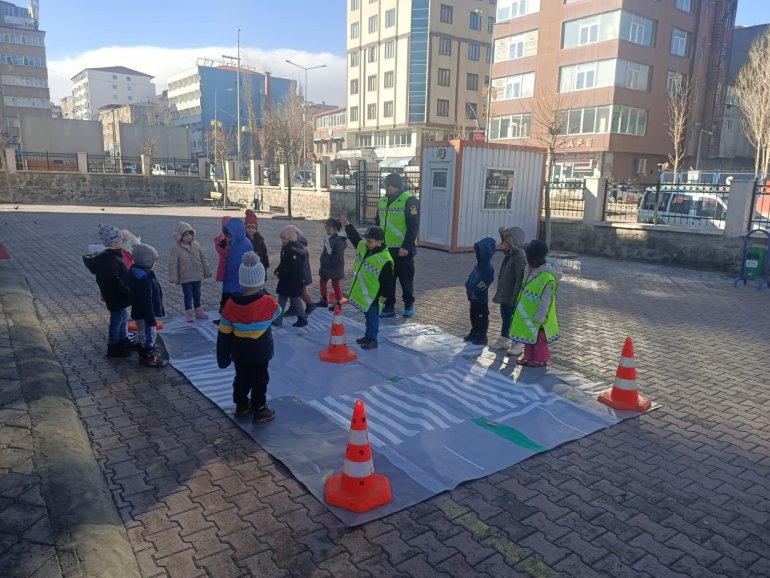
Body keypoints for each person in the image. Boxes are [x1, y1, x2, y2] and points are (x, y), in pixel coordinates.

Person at [217, 251, 281, 423]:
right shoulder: (267, 302)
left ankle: (241, 405)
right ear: (261, 280)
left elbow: (223, 332)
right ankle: (260, 409)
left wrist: (222, 357)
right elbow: (278, 313)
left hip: (240, 351)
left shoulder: (230, 304)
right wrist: (263, 292)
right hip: (261, 352)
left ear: (241, 280)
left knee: (241, 378)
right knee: (260, 380)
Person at [339, 216, 394, 350]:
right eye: (366, 240)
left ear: (379, 242)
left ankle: (373, 339)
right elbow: (354, 237)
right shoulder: (364, 247)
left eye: (369, 241)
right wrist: (347, 225)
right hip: (365, 293)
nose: (366, 243)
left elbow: (388, 281)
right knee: (367, 316)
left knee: (373, 318)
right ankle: (367, 336)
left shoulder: (385, 259)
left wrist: (385, 296)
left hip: (375, 294)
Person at [82, 224, 133, 358]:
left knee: (123, 318)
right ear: (115, 242)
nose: (123, 241)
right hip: (116, 296)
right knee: (116, 321)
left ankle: (123, 340)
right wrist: (126, 289)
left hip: (119, 295)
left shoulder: (113, 255)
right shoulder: (109, 259)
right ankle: (114, 345)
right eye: (121, 239)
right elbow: (113, 280)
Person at [509, 240, 560, 368]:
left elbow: (546, 300)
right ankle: (528, 356)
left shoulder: (547, 276)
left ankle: (541, 358)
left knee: (539, 338)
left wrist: (540, 316)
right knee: (528, 336)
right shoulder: (529, 268)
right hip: (527, 312)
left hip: (540, 314)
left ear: (535, 257)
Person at [376, 172, 419, 318]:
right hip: (386, 250)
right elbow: (378, 223)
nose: (384, 188)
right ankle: (389, 307)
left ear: (391, 185)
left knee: (406, 280)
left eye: (386, 185)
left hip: (402, 250)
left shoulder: (409, 201)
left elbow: (413, 227)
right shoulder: (382, 201)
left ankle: (408, 305)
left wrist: (406, 247)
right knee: (387, 281)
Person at [127, 244, 168, 368]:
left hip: (140, 312)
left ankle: (143, 348)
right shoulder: (143, 278)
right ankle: (149, 356)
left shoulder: (136, 270)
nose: (156, 264)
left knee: (142, 332)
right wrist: (151, 319)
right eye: (154, 262)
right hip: (146, 314)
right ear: (146, 262)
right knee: (149, 335)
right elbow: (147, 301)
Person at [490, 227, 527, 357]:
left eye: (505, 241)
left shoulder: (519, 256)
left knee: (514, 320)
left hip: (513, 296)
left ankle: (517, 344)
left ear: (513, 242)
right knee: (505, 317)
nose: (503, 244)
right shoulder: (509, 255)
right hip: (505, 295)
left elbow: (519, 279)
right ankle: (504, 339)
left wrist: (515, 298)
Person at [168, 221, 212, 322]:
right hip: (185, 277)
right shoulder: (176, 249)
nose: (188, 237)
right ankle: (189, 312)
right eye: (185, 235)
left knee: (197, 293)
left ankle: (198, 310)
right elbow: (173, 264)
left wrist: (206, 271)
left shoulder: (196, 245)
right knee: (188, 295)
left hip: (197, 275)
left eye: (190, 234)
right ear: (180, 236)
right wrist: (173, 276)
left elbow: (203, 258)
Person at [273, 225, 308, 328]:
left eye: (284, 238)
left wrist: (281, 273)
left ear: (291, 238)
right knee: (285, 299)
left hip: (292, 280)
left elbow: (292, 268)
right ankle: (279, 320)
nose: (282, 240)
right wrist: (277, 270)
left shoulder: (295, 250)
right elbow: (283, 263)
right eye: (281, 238)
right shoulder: (286, 248)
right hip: (287, 280)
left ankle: (302, 318)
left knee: (293, 299)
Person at [464, 237, 496, 346]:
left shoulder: (488, 268)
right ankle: (475, 331)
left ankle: (482, 335)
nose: (476, 254)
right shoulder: (477, 266)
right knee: (473, 315)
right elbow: (471, 277)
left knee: (481, 316)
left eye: (478, 252)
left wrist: (477, 290)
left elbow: (487, 281)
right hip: (473, 298)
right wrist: (468, 284)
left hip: (481, 299)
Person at [221, 218, 253, 311]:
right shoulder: (237, 242)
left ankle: (228, 319)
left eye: (229, 236)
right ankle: (225, 318)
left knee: (233, 301)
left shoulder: (243, 245)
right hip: (232, 280)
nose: (227, 239)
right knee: (227, 300)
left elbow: (236, 264)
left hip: (237, 280)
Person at [316, 218, 347, 310]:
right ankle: (324, 300)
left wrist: (331, 263)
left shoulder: (339, 240)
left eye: (329, 229)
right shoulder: (328, 237)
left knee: (336, 284)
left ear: (334, 229)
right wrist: (322, 258)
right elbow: (326, 250)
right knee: (322, 281)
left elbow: (338, 255)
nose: (327, 231)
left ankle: (338, 303)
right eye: (326, 229)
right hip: (326, 264)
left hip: (335, 266)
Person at [213, 216, 232, 315]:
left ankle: (231, 309)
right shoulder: (219, 239)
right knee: (225, 290)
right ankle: (223, 310)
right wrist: (227, 246)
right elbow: (221, 251)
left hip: (233, 268)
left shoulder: (234, 238)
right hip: (224, 268)